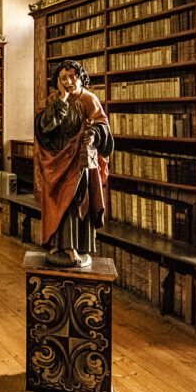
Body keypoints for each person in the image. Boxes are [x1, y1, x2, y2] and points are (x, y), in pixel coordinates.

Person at [34, 59, 113, 267]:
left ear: (81, 77)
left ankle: (74, 246)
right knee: (58, 201)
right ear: (58, 82)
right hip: (57, 159)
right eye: (63, 78)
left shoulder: (89, 99)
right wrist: (63, 98)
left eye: (72, 76)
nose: (69, 81)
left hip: (80, 161)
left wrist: (94, 135)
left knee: (76, 201)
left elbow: (102, 125)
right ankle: (59, 244)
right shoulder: (54, 100)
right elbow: (44, 127)